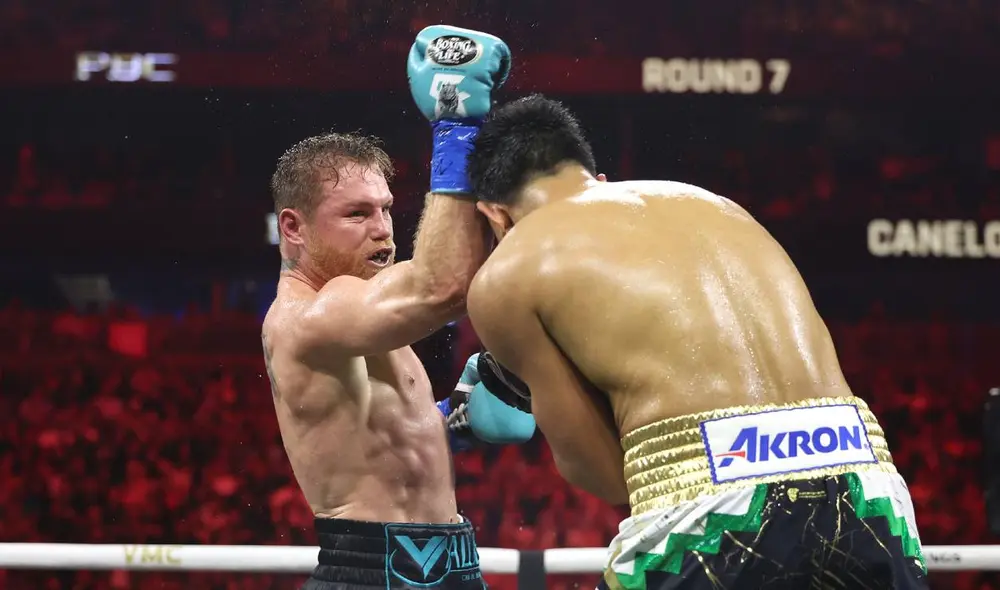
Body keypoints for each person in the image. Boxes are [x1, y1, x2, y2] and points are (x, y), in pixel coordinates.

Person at [464, 94, 929, 589]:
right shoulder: (713, 203)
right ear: (595, 178)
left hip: (714, 506)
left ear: (495, 215)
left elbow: (602, 475)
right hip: (868, 486)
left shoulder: (508, 272)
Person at [261, 26, 534, 590]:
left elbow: (370, 428)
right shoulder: (311, 315)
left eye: (386, 209)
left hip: (454, 564)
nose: (384, 231)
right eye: (357, 214)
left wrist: (446, 418)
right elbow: (443, 287)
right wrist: (456, 125)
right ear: (294, 227)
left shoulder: (361, 308)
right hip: (371, 572)